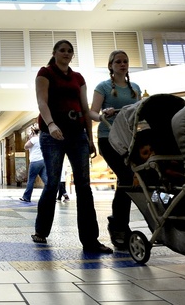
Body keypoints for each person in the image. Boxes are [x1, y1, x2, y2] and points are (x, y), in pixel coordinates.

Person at [31, 40, 112, 254]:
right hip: (52, 135)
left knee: (84, 186)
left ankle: (90, 240)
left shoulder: (78, 78)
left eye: (69, 51)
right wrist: (50, 124)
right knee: (52, 183)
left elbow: (85, 109)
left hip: (77, 134)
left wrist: (90, 137)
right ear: (54, 52)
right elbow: (42, 102)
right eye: (62, 50)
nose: (66, 54)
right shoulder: (45, 73)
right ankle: (41, 230)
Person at [90, 49, 141, 249]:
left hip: (130, 139)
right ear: (111, 65)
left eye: (125, 61)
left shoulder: (135, 88)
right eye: (118, 61)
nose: (122, 64)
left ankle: (120, 224)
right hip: (108, 138)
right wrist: (103, 113)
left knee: (129, 180)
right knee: (127, 177)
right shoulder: (102, 87)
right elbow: (92, 113)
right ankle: (119, 226)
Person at [19, 127, 46, 202]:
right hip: (43, 161)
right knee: (46, 179)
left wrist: (30, 138)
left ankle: (26, 197)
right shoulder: (41, 139)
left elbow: (25, 146)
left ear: (32, 133)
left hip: (35, 161)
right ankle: (51, 195)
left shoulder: (33, 139)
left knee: (31, 180)